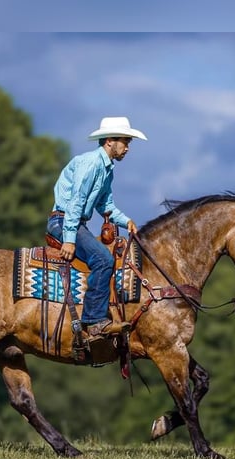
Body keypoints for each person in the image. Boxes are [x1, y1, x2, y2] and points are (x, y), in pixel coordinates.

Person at [46, 116, 147, 338]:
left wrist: (126, 221)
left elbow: (105, 204)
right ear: (110, 141)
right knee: (103, 259)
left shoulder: (106, 169)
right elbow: (76, 202)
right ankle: (93, 320)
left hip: (71, 221)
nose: (128, 148)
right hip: (63, 222)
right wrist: (70, 238)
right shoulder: (90, 164)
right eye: (125, 142)